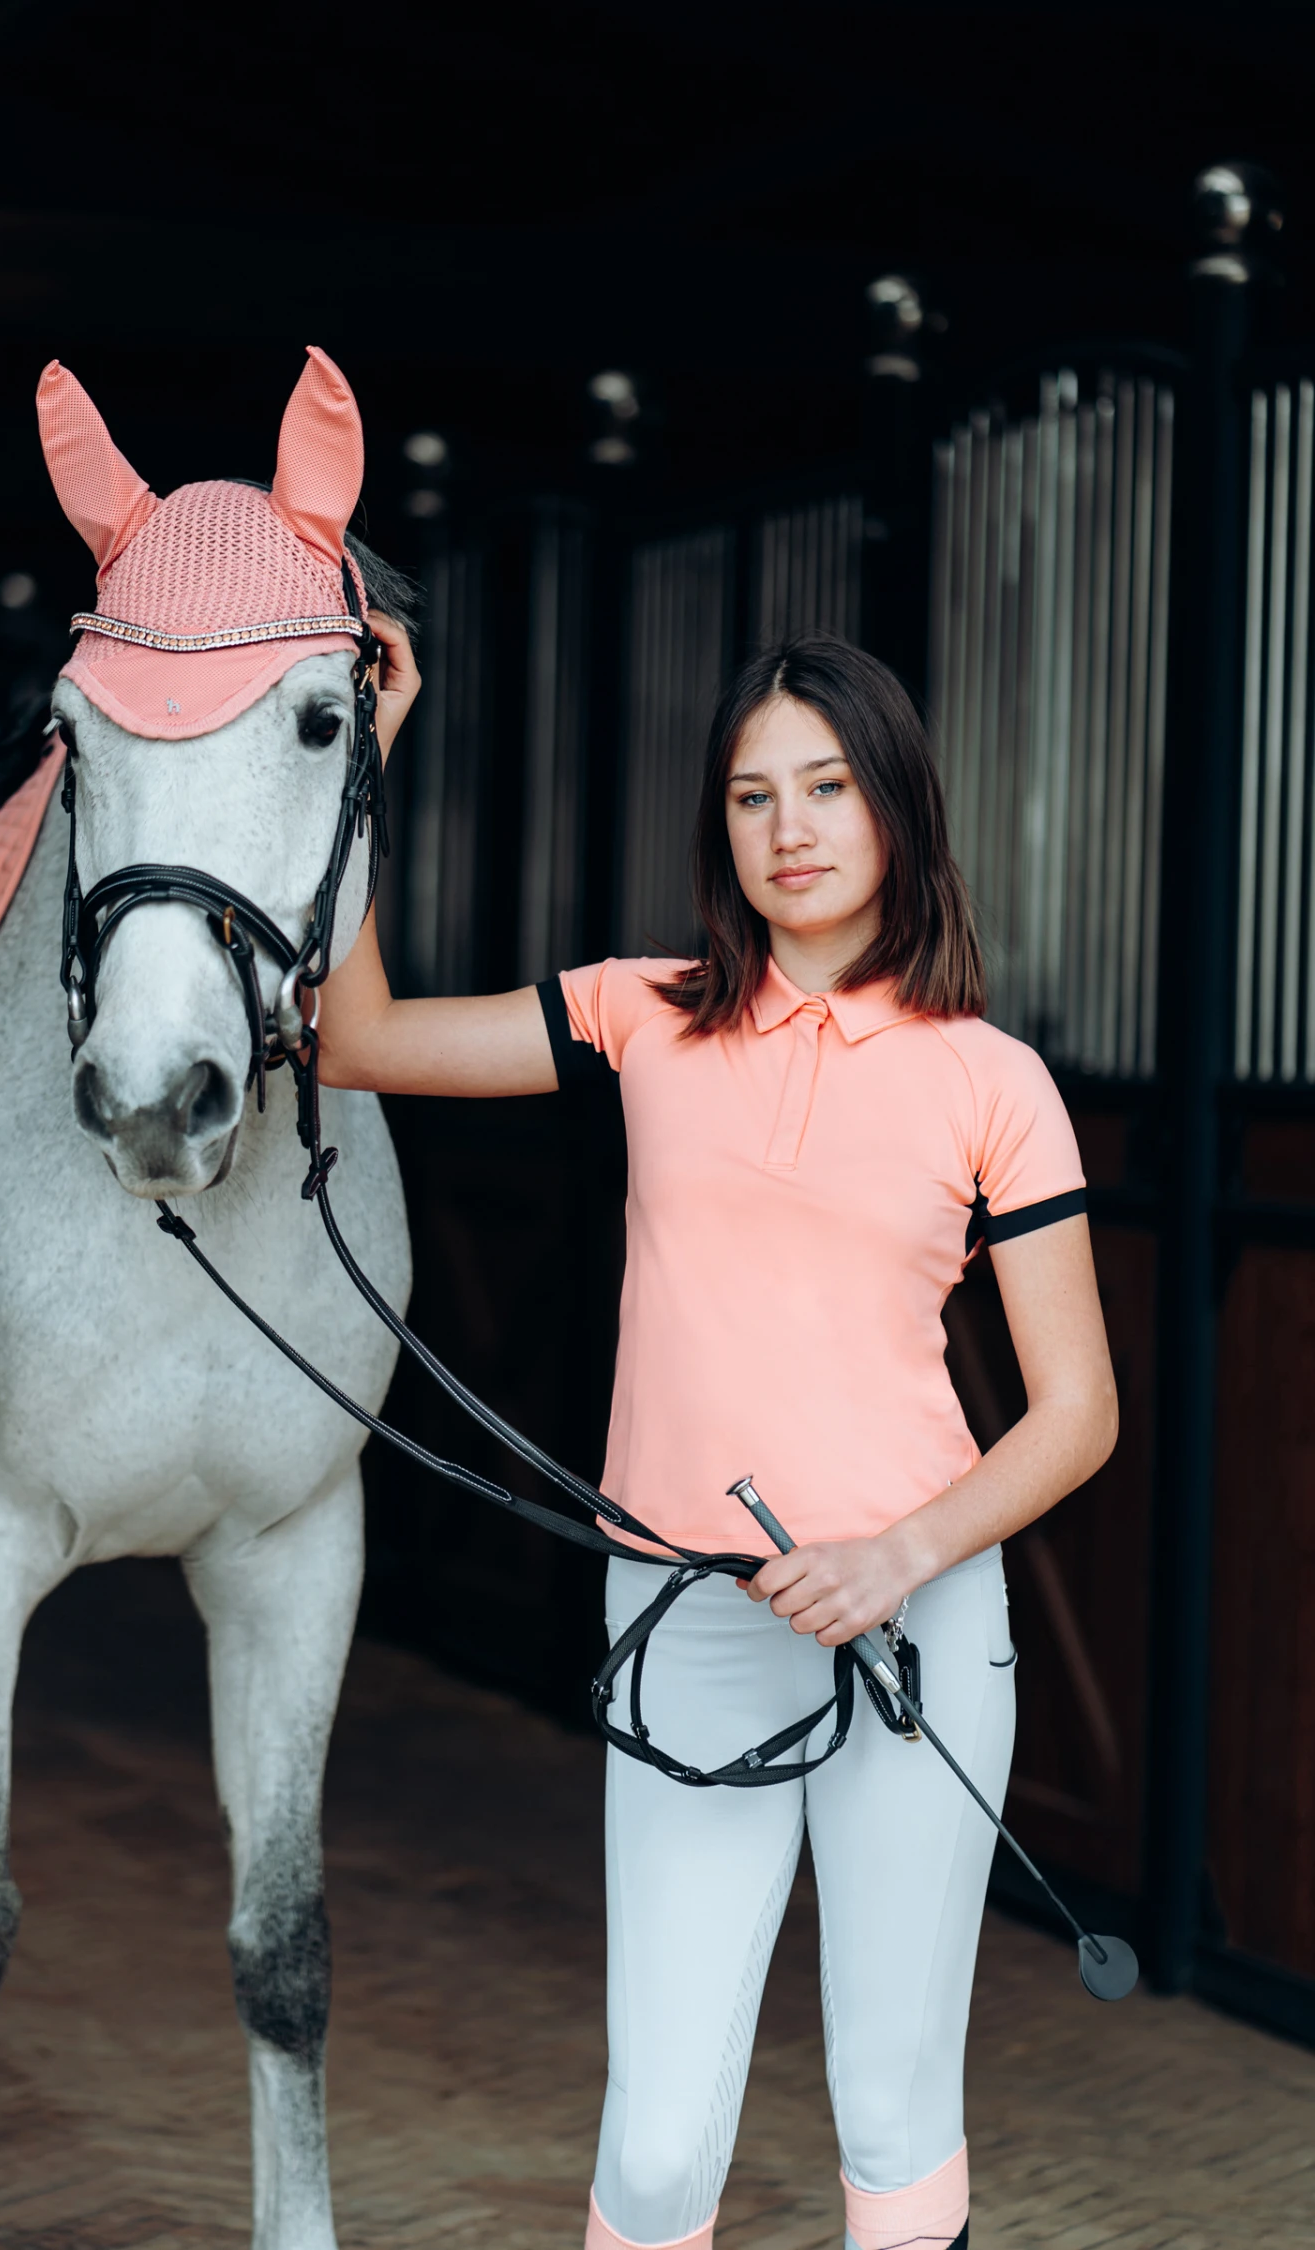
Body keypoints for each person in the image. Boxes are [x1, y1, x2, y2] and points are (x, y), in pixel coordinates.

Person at [324, 624, 1118, 2250]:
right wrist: (363, 756)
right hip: (687, 1616)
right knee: (660, 2134)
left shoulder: (995, 1080)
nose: (790, 826)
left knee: (893, 2106)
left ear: (895, 804)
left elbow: (1080, 1410)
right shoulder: (640, 1012)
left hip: (916, 1626)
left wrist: (896, 1553)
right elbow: (358, 1040)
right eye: (754, 795)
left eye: (827, 786)